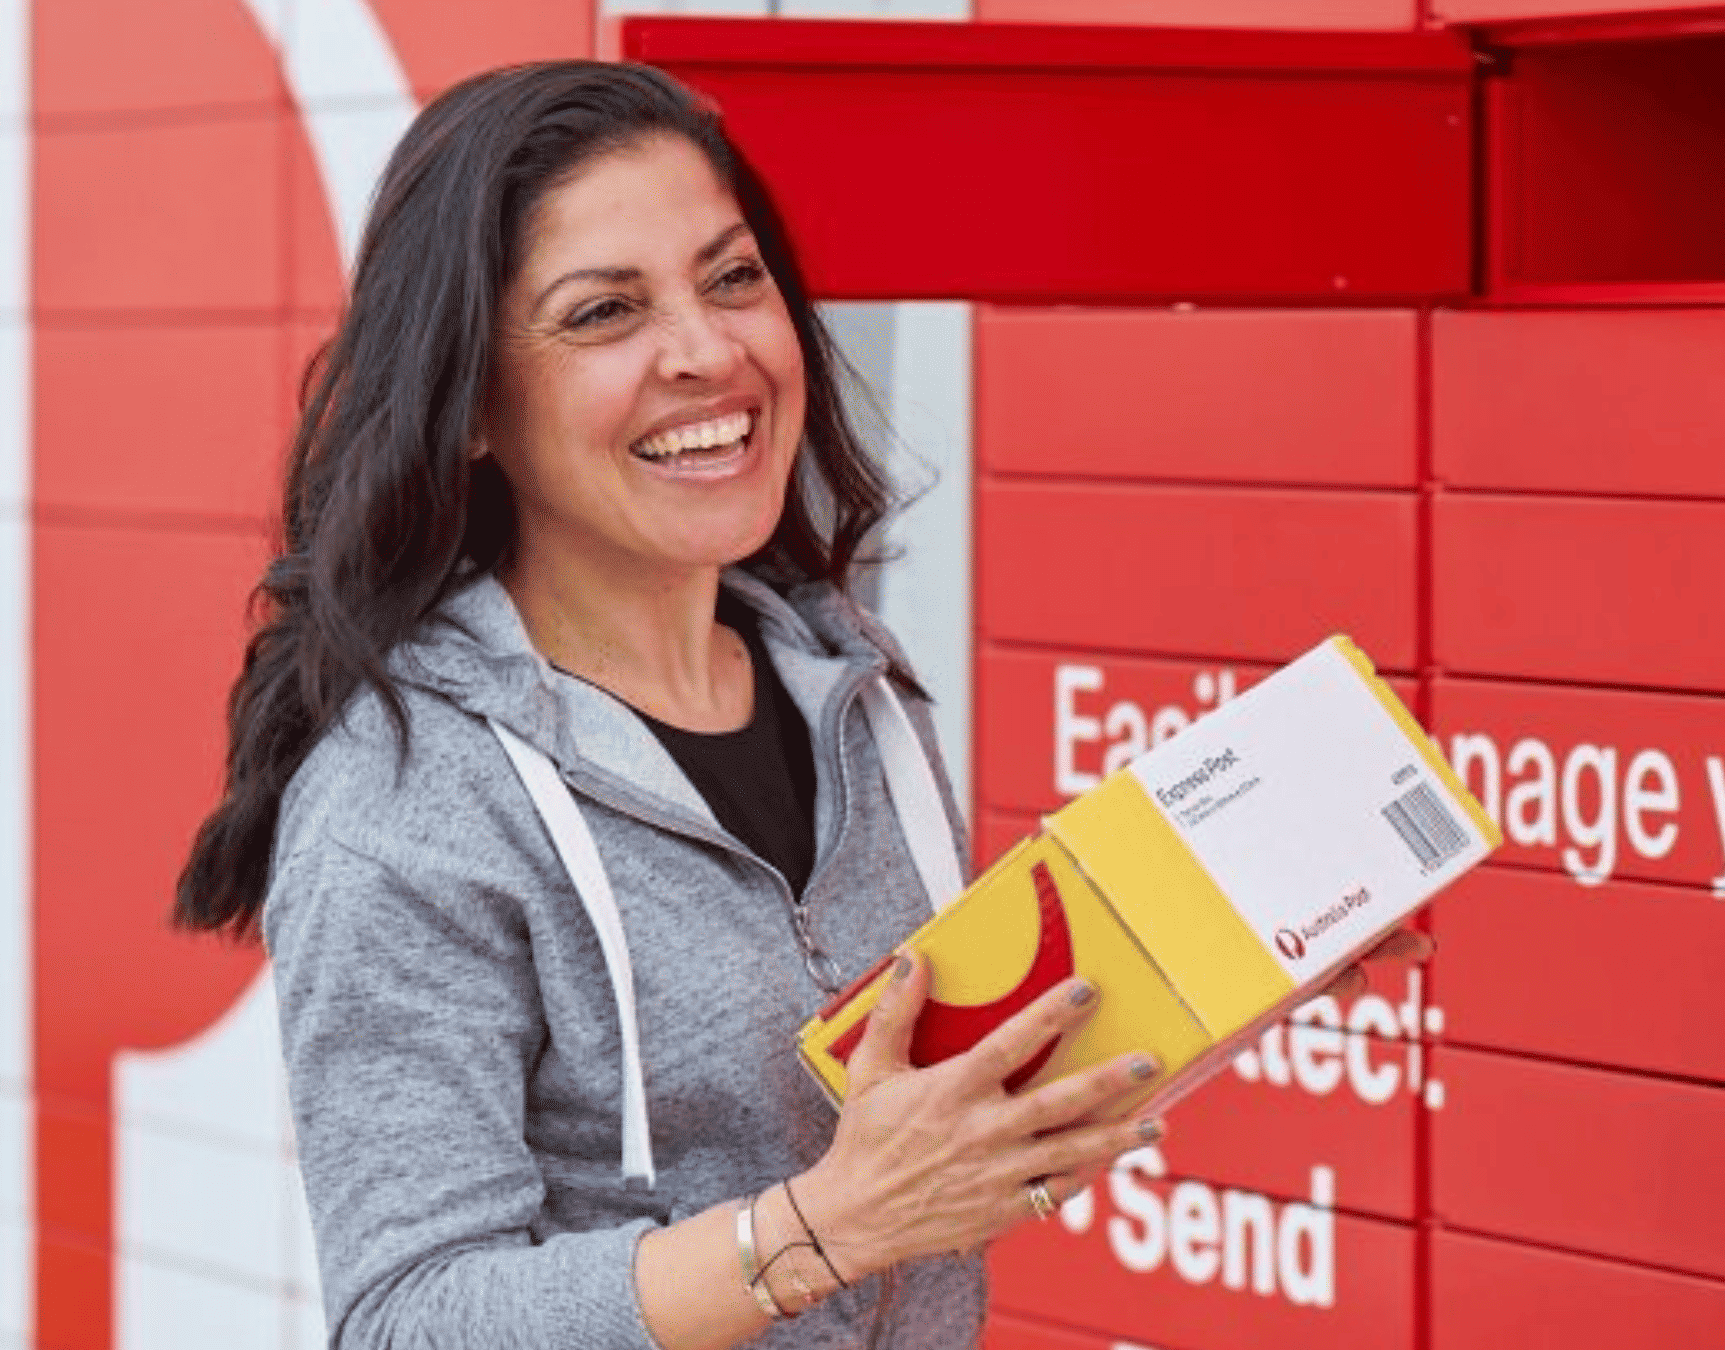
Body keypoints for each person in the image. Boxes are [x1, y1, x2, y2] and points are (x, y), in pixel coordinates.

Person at [171, 61, 1421, 1350]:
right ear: (473, 402)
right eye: (605, 312)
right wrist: (826, 1229)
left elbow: (930, 1137)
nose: (710, 351)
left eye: (732, 276)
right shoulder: (407, 803)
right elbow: (409, 1321)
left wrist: (1248, 944)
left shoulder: (846, 689)